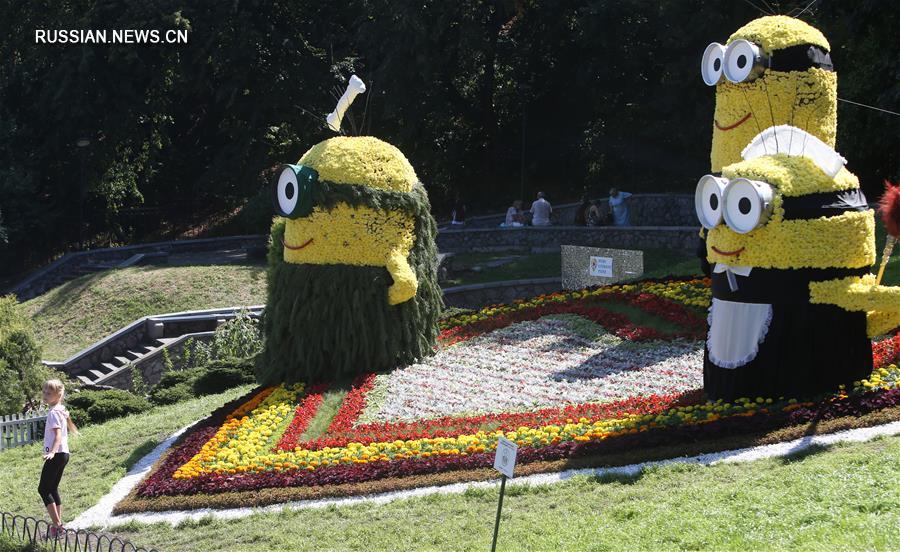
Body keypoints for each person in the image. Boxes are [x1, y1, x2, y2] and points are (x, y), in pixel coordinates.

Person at [38, 379, 78, 538]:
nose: (45, 395)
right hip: (64, 454)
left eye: (49, 393)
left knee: (43, 489)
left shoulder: (54, 412)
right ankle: (57, 525)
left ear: (58, 395)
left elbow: (58, 436)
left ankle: (58, 526)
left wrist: (52, 452)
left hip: (57, 454)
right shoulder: (60, 409)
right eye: (44, 392)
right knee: (52, 489)